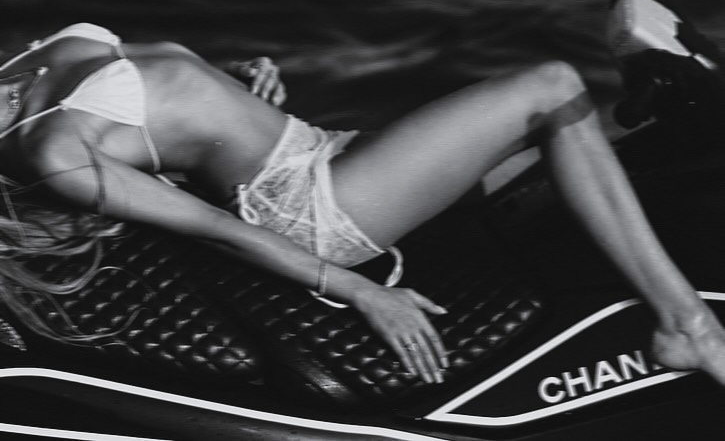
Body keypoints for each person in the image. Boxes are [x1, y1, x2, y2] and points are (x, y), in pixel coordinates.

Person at [0, 23, 724, 386]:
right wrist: (361, 291)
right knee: (550, 87)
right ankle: (686, 326)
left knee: (613, 149)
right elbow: (212, 226)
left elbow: (154, 97)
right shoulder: (52, 151)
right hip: (304, 202)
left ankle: (651, 122)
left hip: (320, 145)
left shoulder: (25, 61)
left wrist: (228, 81)